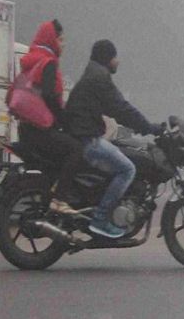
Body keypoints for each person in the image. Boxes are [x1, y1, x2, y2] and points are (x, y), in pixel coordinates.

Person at [63, 40, 163, 238]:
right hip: (88, 139)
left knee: (120, 155)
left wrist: (142, 125)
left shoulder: (93, 74)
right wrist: (148, 127)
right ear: (107, 58)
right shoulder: (100, 78)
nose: (118, 61)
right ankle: (100, 219)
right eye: (115, 57)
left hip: (82, 135)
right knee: (128, 169)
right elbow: (120, 108)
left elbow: (115, 109)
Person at [17, 20, 85, 215]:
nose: (64, 44)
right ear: (51, 40)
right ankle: (59, 199)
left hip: (27, 128)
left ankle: (52, 195)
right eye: (61, 39)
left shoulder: (32, 60)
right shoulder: (48, 62)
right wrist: (63, 119)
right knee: (76, 149)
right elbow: (49, 95)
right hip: (41, 129)